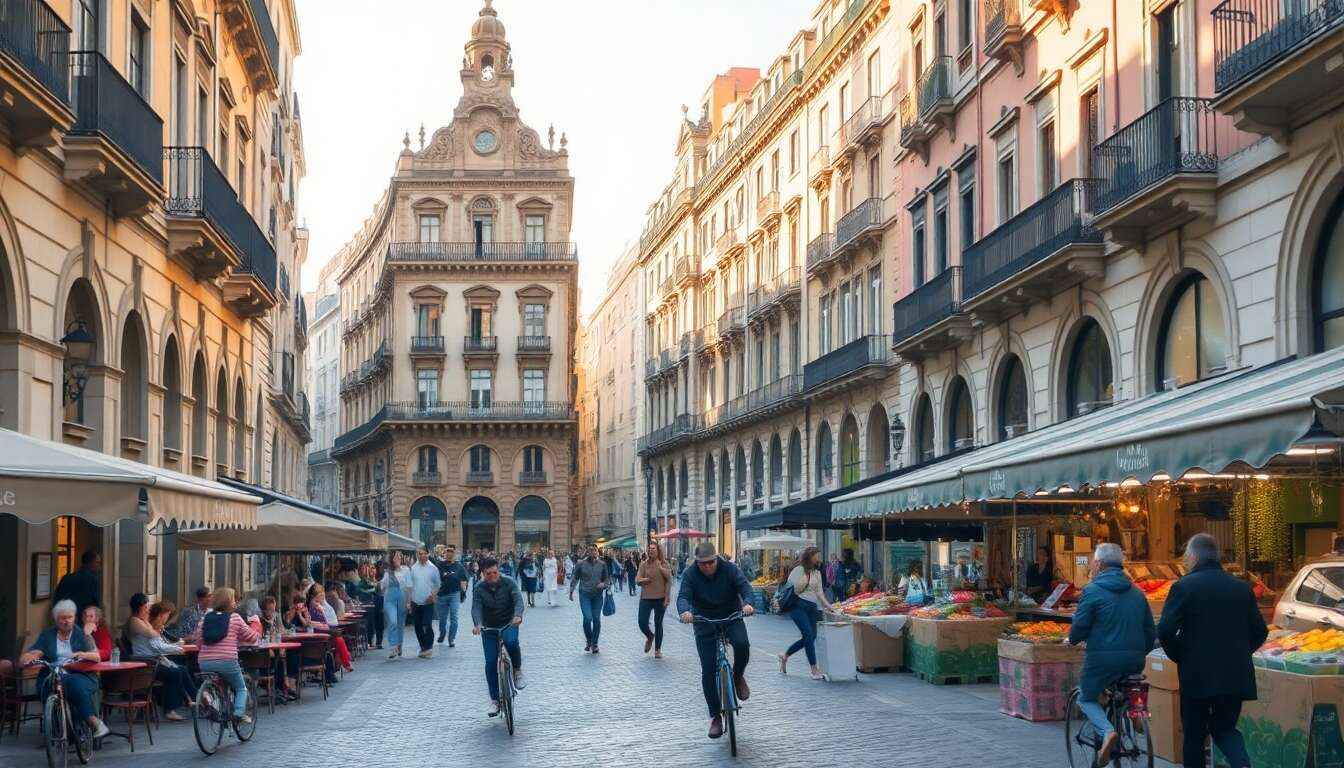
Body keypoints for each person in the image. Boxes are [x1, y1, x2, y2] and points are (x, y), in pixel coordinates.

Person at [1158, 533, 1268, 768]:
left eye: (1186, 557)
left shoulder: (1184, 587)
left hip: (1197, 675)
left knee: (1194, 735)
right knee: (1225, 728)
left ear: (1193, 556)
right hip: (1235, 674)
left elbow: (1165, 630)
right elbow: (1260, 631)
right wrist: (1239, 653)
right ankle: (1242, 764)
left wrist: (1181, 655)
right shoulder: (1241, 588)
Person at [1066, 543, 1156, 765]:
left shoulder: (1092, 591)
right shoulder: (1138, 593)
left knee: (1086, 697)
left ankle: (1107, 731)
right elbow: (1150, 631)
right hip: (1134, 659)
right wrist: (1139, 652)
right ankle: (1131, 716)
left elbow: (1080, 626)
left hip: (1102, 659)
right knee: (1125, 690)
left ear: (1099, 564)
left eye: (1093, 563)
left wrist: (1072, 640)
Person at [678, 543, 755, 739]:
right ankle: (715, 717)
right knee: (708, 669)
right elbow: (683, 596)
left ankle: (738, 676)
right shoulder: (690, 574)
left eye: (710, 562)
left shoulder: (729, 569)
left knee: (742, 645)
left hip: (731, 616)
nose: (707, 566)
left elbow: (745, 588)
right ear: (697, 562)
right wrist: (685, 611)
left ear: (716, 558)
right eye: (702, 563)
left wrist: (748, 604)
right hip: (703, 620)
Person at [20, 600, 111, 738]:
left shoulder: (82, 634)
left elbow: (96, 657)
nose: (66, 621)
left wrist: (81, 654)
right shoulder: (48, 635)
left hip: (81, 675)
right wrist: (30, 657)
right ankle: (56, 728)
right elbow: (36, 651)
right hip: (53, 675)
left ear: (74, 618)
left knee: (73, 683)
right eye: (63, 618)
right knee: (48, 684)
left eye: (69, 617)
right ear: (56, 619)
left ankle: (94, 722)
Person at [191, 587, 260, 725]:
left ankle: (212, 706)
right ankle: (238, 714)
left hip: (205, 662)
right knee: (240, 688)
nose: (236, 603)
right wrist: (256, 630)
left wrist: (207, 652)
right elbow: (251, 637)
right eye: (234, 600)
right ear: (228, 602)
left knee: (214, 684)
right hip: (227, 661)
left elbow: (198, 641)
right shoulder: (235, 618)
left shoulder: (204, 619)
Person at [124, 592, 199, 719]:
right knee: (174, 672)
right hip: (144, 663)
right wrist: (176, 648)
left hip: (151, 659)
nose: (148, 609)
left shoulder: (144, 621)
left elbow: (156, 642)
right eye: (146, 606)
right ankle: (172, 708)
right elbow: (154, 640)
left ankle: (195, 699)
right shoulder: (135, 621)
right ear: (140, 607)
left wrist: (174, 647)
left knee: (182, 669)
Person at [470, 556, 526, 716]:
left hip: (509, 622)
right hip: (489, 628)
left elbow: (518, 600)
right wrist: (477, 624)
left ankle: (517, 670)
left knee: (511, 641)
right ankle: (495, 700)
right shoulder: (479, 588)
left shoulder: (509, 583)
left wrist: (518, 615)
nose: (492, 576)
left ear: (498, 571)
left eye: (495, 572)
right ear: (483, 573)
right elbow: (476, 608)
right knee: (490, 661)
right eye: (488, 574)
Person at [775, 545, 835, 679]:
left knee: (811, 637)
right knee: (808, 634)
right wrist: (806, 576)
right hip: (798, 605)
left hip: (812, 606)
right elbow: (795, 590)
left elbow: (819, 592)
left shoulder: (817, 573)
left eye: (819, 556)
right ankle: (814, 669)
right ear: (810, 557)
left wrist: (829, 606)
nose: (819, 559)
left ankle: (785, 656)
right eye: (817, 556)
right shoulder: (798, 570)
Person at [569, 546, 609, 653]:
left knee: (596, 619)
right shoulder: (580, 564)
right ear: (587, 552)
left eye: (594, 550)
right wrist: (571, 591)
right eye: (590, 550)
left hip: (597, 596)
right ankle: (589, 640)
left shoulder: (602, 564)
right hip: (585, 594)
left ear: (597, 552)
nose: (593, 552)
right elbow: (575, 577)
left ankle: (594, 644)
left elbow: (607, 579)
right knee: (587, 618)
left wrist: (604, 584)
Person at [305, 584, 354, 672]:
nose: (322, 595)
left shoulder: (320, 604)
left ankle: (342, 663)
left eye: (322, 593)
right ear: (313, 595)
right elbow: (311, 622)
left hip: (323, 631)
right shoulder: (312, 606)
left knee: (338, 639)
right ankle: (345, 663)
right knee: (338, 639)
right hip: (317, 634)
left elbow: (327, 617)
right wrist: (321, 623)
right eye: (320, 594)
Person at [636, 541, 673, 658]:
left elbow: (669, 580)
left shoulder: (664, 563)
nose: (650, 550)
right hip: (646, 597)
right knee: (642, 622)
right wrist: (645, 580)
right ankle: (650, 636)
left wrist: (667, 596)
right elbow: (637, 580)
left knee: (658, 623)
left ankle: (657, 650)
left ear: (658, 551)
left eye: (653, 548)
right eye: (649, 548)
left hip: (660, 598)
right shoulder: (643, 564)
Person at [408, 545, 441, 658]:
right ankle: (423, 646)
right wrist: (409, 601)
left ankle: (429, 647)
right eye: (419, 554)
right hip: (415, 601)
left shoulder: (433, 568)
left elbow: (438, 584)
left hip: (428, 601)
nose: (421, 556)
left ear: (428, 554)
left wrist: (433, 595)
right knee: (417, 625)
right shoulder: (413, 568)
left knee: (427, 624)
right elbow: (410, 585)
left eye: (423, 553)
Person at [433, 547, 469, 647]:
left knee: (454, 617)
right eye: (447, 553)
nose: (449, 555)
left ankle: (451, 639)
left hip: (454, 594)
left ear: (454, 555)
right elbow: (434, 578)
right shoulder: (440, 565)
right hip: (442, 595)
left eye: (451, 553)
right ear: (444, 555)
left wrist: (464, 590)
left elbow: (464, 579)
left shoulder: (459, 566)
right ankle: (442, 633)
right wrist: (434, 593)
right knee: (442, 618)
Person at [52, 551, 101, 624]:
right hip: (84, 621)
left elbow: (57, 600)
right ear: (92, 562)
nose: (99, 566)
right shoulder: (92, 580)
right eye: (97, 562)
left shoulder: (66, 578)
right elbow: (95, 604)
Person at [381, 551, 412, 659]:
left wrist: (409, 602)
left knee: (400, 624)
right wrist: (380, 585)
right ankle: (393, 647)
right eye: (396, 557)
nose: (398, 558)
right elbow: (383, 585)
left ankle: (399, 644)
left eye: (400, 557)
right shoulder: (388, 571)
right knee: (393, 622)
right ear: (392, 559)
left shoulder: (406, 570)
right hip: (389, 599)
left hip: (402, 597)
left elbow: (409, 587)